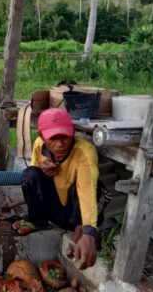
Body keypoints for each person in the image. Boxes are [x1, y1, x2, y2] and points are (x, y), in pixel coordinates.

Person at [16, 108, 111, 270]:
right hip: (55, 211)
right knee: (30, 173)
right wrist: (42, 168)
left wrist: (89, 231)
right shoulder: (39, 145)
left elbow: (87, 190)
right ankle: (37, 221)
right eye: (53, 138)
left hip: (75, 212)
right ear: (42, 136)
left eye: (64, 136)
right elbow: (34, 180)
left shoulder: (84, 151)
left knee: (93, 188)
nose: (60, 144)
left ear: (73, 132)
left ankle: (83, 232)